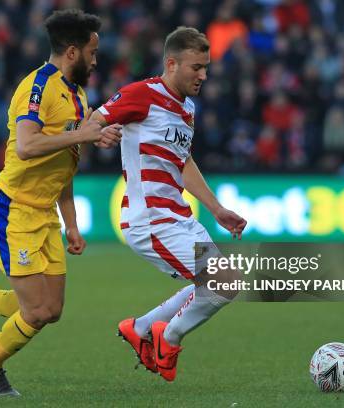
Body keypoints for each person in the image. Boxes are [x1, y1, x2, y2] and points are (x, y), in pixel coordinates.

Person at [0, 9, 122, 396]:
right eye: (92, 53)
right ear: (71, 51)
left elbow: (63, 168)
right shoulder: (36, 87)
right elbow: (29, 146)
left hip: (46, 215)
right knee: (36, 311)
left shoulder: (77, 95)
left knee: (52, 310)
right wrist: (84, 133)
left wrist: (73, 224)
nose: (96, 61)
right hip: (11, 210)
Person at [91, 26, 247, 382]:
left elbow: (183, 161)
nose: (203, 75)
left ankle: (143, 328)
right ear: (172, 63)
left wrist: (217, 209)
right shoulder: (141, 94)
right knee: (224, 283)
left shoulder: (187, 108)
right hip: (150, 220)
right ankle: (169, 335)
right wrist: (100, 132)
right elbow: (94, 119)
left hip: (178, 216)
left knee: (218, 281)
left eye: (206, 67)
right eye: (196, 67)